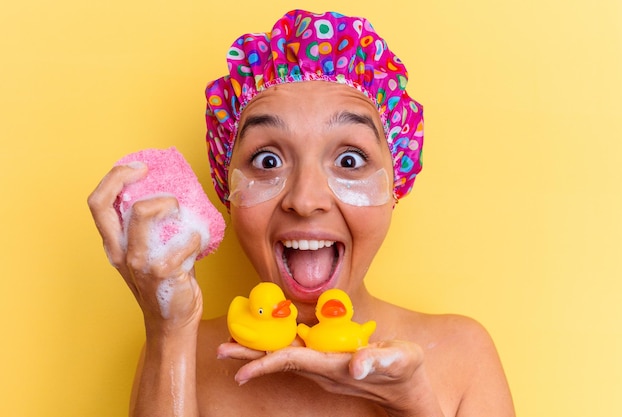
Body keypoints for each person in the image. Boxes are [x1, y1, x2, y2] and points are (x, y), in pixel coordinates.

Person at [88, 9, 515, 417]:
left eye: (349, 160)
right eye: (268, 161)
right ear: (226, 190)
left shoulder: (461, 354)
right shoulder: (184, 352)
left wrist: (411, 403)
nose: (306, 199)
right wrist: (168, 329)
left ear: (395, 183)